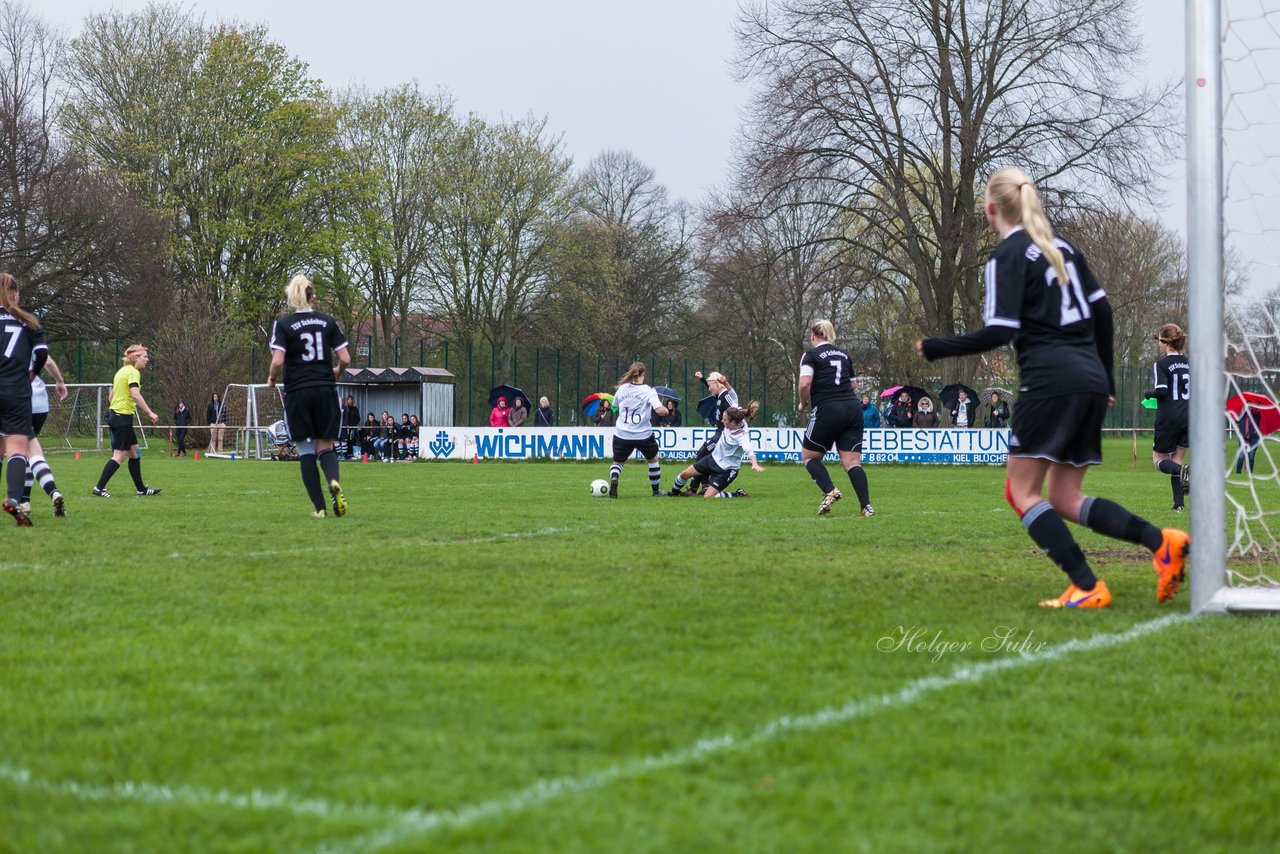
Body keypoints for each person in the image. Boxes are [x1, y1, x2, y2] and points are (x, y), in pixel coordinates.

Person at [917, 166, 1188, 608]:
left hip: (1049, 382)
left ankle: (1086, 585)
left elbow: (999, 330)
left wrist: (935, 346)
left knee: (1020, 491)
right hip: (1089, 381)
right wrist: (1106, 378)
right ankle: (1163, 543)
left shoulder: (1006, 256)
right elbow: (1102, 313)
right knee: (1064, 496)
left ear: (990, 209)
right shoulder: (1064, 248)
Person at [266, 274, 351, 518]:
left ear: (292, 297)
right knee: (325, 446)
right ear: (312, 297)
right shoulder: (328, 321)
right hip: (325, 389)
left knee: (305, 450)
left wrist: (272, 377)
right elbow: (345, 358)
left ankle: (320, 509)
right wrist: (337, 372)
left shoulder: (283, 325)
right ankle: (333, 481)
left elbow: (278, 361)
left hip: (298, 392)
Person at [798, 319, 874, 517]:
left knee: (809, 457)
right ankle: (866, 506)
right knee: (852, 462)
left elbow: (805, 384)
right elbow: (854, 385)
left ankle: (830, 490)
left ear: (813, 335)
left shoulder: (811, 355)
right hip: (852, 408)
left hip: (828, 408)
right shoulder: (844, 354)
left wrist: (803, 403)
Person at [0, 274, 50, 525]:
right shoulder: (28, 321)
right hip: (16, 390)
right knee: (17, 449)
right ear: (16, 295)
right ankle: (14, 499)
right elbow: (41, 352)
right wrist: (33, 373)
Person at [92, 344, 161, 499]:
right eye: (145, 357)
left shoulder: (121, 372)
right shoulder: (133, 372)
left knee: (134, 452)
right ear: (135, 358)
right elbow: (135, 394)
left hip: (117, 416)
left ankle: (141, 489)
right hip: (122, 417)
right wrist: (150, 412)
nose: (147, 360)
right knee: (119, 456)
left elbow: (111, 397)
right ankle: (99, 488)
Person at [667, 402, 764, 498]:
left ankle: (737, 494)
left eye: (725, 420)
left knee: (707, 496)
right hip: (712, 459)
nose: (722, 421)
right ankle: (674, 494)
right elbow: (739, 408)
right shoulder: (736, 414)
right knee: (684, 474)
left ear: (733, 423)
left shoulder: (742, 435)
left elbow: (748, 449)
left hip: (727, 470)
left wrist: (754, 463)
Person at [1144, 323, 1191, 511]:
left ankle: (1184, 473)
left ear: (1165, 343)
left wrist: (1148, 394)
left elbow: (1162, 392)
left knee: (1159, 460)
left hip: (1169, 417)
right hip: (1189, 416)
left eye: (1159, 341)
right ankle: (1179, 505)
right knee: (1176, 459)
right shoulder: (1189, 362)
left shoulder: (1161, 364)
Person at [605, 361, 668, 498]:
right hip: (643, 434)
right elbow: (659, 410)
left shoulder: (622, 389)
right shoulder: (648, 391)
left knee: (618, 462)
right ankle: (656, 492)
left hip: (622, 434)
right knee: (653, 460)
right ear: (643, 374)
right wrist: (665, 410)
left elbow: (614, 404)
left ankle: (615, 479)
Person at [18, 355, 68, 517]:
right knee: (31, 453)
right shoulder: (31, 336)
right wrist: (59, 380)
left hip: (16, 401)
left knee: (22, 452)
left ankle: (25, 501)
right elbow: (47, 361)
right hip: (40, 403)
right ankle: (31, 499)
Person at [683, 369, 739, 495]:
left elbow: (736, 413)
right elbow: (712, 387)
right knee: (703, 455)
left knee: (702, 454)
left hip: (722, 435)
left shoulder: (726, 397)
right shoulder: (719, 396)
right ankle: (703, 486)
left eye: (710, 385)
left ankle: (695, 488)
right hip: (718, 433)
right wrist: (703, 379)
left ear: (717, 383)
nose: (709, 389)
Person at [1232, 403, 1261, 475]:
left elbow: (1257, 421)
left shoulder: (1256, 415)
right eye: (1246, 406)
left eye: (1249, 406)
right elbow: (1236, 421)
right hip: (1243, 439)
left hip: (1254, 439)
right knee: (1241, 456)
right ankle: (1238, 473)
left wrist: (1256, 408)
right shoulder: (1240, 415)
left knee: (1251, 457)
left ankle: (1250, 473)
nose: (1247, 407)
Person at [341, 394, 361, 458]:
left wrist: (353, 424)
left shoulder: (355, 408)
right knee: (346, 441)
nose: (350, 400)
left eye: (351, 399)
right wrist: (346, 424)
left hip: (353, 427)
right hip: (345, 427)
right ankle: (345, 454)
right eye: (348, 399)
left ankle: (353, 454)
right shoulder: (344, 408)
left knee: (352, 440)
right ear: (346, 400)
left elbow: (358, 418)